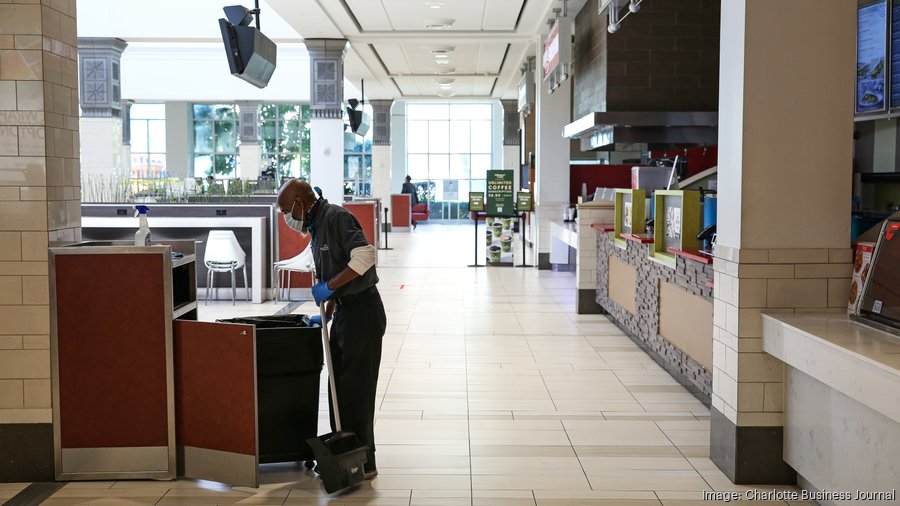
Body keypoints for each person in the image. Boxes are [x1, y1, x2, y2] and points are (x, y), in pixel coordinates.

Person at [276, 179, 386, 480]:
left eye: (287, 210)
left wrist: (330, 286)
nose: (286, 218)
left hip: (363, 313)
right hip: (345, 313)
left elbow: (365, 257)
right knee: (337, 387)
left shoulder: (336, 217)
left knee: (356, 393)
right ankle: (348, 455)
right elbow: (333, 269)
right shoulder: (316, 227)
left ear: (300, 203)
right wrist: (325, 312)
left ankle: (365, 463)